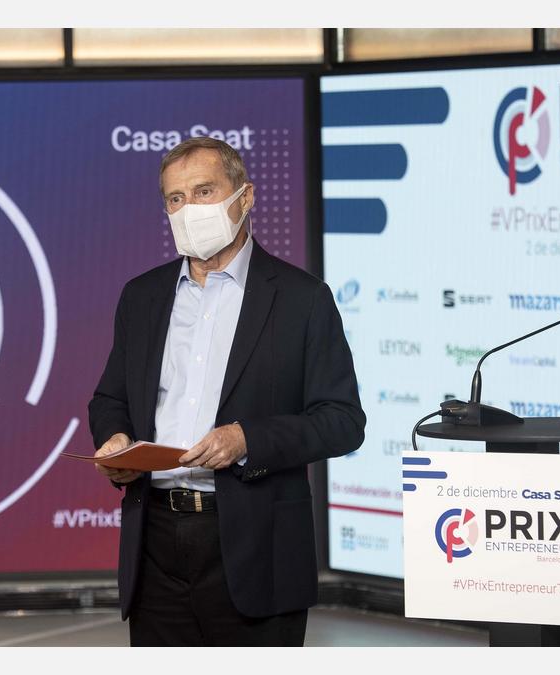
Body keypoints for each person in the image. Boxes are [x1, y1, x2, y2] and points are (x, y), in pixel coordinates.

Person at [87, 136, 365, 647]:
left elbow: (342, 421)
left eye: (204, 191)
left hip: (256, 546)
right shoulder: (142, 296)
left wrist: (247, 439)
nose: (189, 209)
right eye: (175, 198)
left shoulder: (302, 298)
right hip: (155, 546)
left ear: (246, 197)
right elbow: (110, 399)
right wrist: (117, 440)